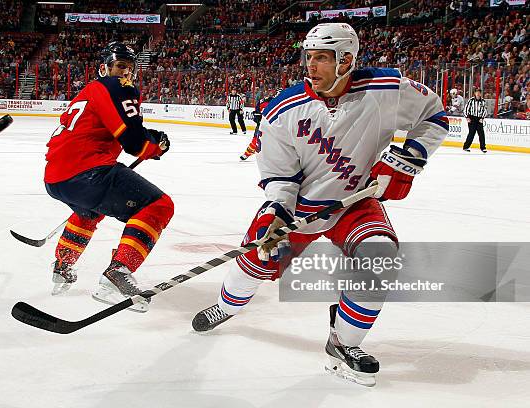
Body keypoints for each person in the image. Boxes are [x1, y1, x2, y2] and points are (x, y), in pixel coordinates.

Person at [192, 23, 448, 386]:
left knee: (380, 261)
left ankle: (342, 343)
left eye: (322, 58)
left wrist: (406, 160)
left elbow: (434, 116)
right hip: (299, 208)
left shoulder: (386, 90)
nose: (311, 66)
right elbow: (280, 177)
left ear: (346, 60)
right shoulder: (282, 110)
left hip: (355, 202)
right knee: (255, 265)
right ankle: (227, 306)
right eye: (308, 57)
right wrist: (276, 215)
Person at [43, 42, 173, 313]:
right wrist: (151, 146)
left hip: (57, 177)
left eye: (129, 68)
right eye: (119, 66)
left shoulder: (90, 91)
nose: (125, 73)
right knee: (158, 206)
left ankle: (63, 266)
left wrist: (152, 139)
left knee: (90, 212)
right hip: (85, 171)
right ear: (105, 69)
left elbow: (115, 127)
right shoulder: (117, 87)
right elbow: (134, 143)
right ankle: (116, 276)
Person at [239, 88, 281, 161]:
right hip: (262, 124)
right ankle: (247, 153)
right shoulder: (263, 102)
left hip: (275, 125)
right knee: (256, 139)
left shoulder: (280, 103)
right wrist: (257, 118)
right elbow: (257, 112)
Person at [463, 88, 488, 153]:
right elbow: (466, 109)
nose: (478, 93)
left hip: (479, 119)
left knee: (481, 133)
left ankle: (483, 148)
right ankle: (466, 147)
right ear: (475, 93)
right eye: (477, 92)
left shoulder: (483, 101)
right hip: (472, 118)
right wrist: (467, 117)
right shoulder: (471, 100)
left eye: (479, 92)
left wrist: (482, 118)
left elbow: (485, 111)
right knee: (471, 133)